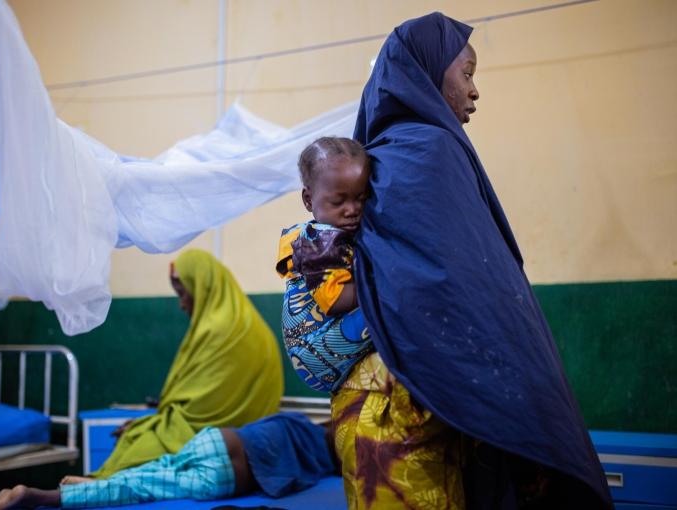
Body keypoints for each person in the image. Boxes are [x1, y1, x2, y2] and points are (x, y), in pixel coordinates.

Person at [333, 11, 613, 510]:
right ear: (426, 72)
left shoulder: (379, 157)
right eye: (467, 72)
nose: (475, 90)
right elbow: (466, 292)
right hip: (411, 410)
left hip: (380, 410)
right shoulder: (429, 150)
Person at [90, 249, 284, 478]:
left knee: (138, 445)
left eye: (183, 293)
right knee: (138, 435)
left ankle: (95, 486)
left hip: (223, 440)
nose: (182, 305)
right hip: (253, 439)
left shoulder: (220, 329)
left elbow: (200, 416)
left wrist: (151, 425)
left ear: (202, 286)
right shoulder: (246, 323)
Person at [0, 412, 337, 509]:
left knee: (153, 469)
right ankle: (42, 497)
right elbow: (295, 473)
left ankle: (100, 481)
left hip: (216, 439)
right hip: (225, 476)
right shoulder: (324, 457)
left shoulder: (297, 422)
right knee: (144, 489)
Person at [276, 137, 373, 393]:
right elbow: (336, 300)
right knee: (388, 304)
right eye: (338, 202)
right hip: (313, 351)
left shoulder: (340, 235)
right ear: (308, 200)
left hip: (325, 349)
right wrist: (382, 277)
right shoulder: (318, 241)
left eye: (361, 199)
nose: (352, 209)